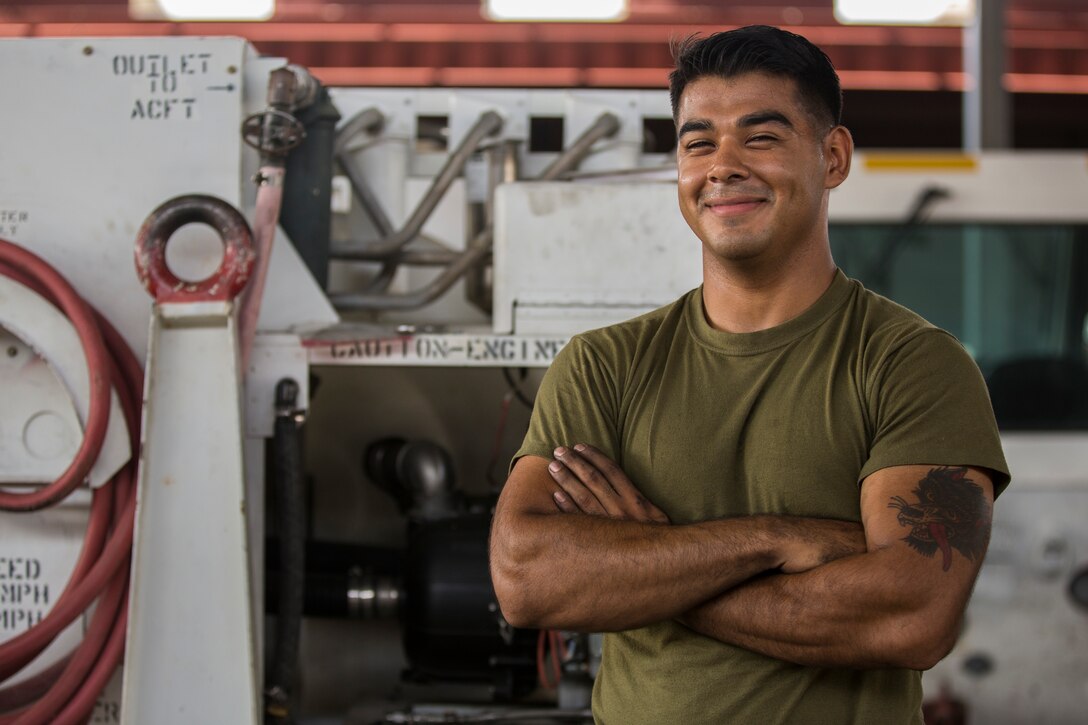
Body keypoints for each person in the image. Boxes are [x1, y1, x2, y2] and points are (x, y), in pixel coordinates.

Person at [489, 24, 1009, 725]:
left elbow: (913, 615)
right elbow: (526, 579)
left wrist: (646, 562)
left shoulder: (912, 365)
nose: (722, 165)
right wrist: (776, 538)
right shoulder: (602, 366)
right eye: (698, 142)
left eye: (760, 136)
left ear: (832, 157)